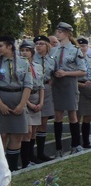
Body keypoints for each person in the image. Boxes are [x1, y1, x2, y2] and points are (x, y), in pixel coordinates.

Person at [50, 22, 87, 155]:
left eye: (60, 32)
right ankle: (58, 147)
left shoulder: (75, 50)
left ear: (66, 33)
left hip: (69, 83)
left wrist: (66, 73)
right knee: (58, 115)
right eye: (57, 31)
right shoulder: (54, 50)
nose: (57, 34)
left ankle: (75, 144)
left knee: (72, 114)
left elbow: (83, 71)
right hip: (57, 84)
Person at [0, 36, 32, 170]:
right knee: (2, 135)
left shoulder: (23, 62)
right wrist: (0, 105)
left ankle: (12, 168)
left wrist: (21, 104)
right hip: (2, 99)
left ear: (9, 46)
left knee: (17, 135)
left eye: (0, 46)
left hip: (18, 100)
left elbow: (28, 85)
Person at [19, 40, 44, 167]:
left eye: (27, 50)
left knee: (34, 130)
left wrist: (41, 102)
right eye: (22, 50)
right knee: (27, 131)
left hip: (36, 98)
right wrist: (28, 104)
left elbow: (41, 86)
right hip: (25, 100)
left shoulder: (37, 66)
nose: (24, 53)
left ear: (32, 53)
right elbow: (21, 88)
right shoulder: (19, 66)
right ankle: (25, 161)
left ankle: (31, 156)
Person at [33, 35, 55, 162]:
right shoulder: (31, 58)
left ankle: (41, 153)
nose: (38, 46)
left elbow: (54, 73)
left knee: (44, 121)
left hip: (46, 88)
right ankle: (31, 154)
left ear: (47, 45)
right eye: (37, 44)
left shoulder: (51, 59)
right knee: (33, 124)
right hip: (34, 90)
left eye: (41, 43)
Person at [76, 38, 91, 148]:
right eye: (79, 46)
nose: (82, 48)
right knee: (77, 115)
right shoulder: (74, 60)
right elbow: (72, 78)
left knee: (88, 115)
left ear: (87, 47)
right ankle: (76, 142)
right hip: (79, 87)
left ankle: (86, 142)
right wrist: (80, 85)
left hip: (89, 88)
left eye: (84, 46)